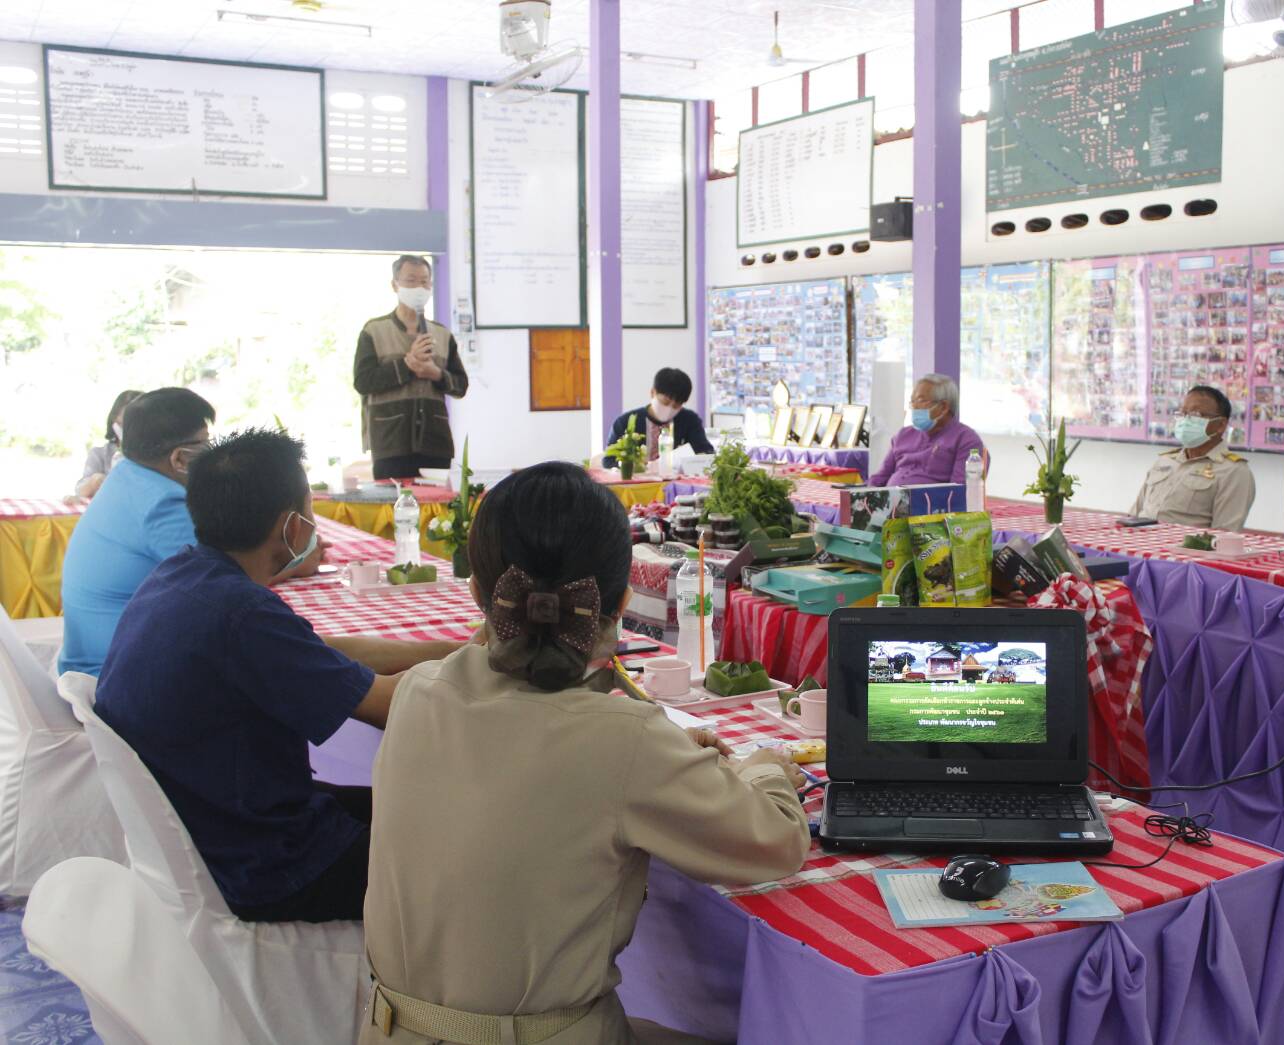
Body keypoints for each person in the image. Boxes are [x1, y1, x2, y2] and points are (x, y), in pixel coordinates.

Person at [361, 463, 809, 1044]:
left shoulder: (419, 692)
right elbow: (776, 843)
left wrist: (653, 747)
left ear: (477, 595)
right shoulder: (624, 740)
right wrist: (764, 768)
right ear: (624, 600)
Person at [94, 428, 465, 923]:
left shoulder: (183, 578)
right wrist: (486, 669)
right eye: (310, 511)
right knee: (473, 852)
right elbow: (391, 706)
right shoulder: (241, 614)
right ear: (292, 527)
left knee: (429, 806)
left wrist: (453, 648)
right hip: (272, 864)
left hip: (223, 822)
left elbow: (319, 649)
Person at [59, 388, 214, 677]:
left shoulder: (127, 479)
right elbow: (222, 584)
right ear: (180, 458)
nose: (213, 455)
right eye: (206, 445)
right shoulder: (160, 504)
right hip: (117, 677)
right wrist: (291, 562)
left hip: (94, 660)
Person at [354, 255, 469, 481]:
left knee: (436, 510)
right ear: (394, 285)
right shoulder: (374, 331)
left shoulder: (442, 334)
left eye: (425, 281)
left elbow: (461, 386)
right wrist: (406, 364)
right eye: (411, 280)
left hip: (435, 443)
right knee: (392, 508)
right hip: (391, 441)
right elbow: (363, 381)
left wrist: (435, 374)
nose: (419, 287)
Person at [1129, 385, 1255, 531]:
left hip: (1181, 551)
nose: (1185, 420)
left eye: (1196, 415)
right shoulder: (1165, 461)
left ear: (1220, 425)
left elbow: (1223, 536)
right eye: (1183, 413)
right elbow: (1134, 516)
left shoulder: (1234, 471)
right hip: (1138, 546)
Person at [867, 373, 986, 487]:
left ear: (943, 407)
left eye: (920, 400)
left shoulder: (965, 439)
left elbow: (959, 490)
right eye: (912, 401)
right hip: (888, 504)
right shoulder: (903, 435)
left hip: (932, 506)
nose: (914, 407)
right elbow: (880, 477)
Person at [604, 367, 713, 468]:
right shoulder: (625, 422)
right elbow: (608, 461)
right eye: (665, 402)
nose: (670, 409)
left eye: (676, 406)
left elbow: (706, 454)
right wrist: (634, 465)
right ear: (653, 393)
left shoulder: (690, 420)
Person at [75, 389, 143, 499]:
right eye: (125, 422)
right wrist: (94, 482)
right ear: (114, 421)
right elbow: (80, 491)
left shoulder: (156, 458)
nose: (132, 429)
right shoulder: (100, 454)